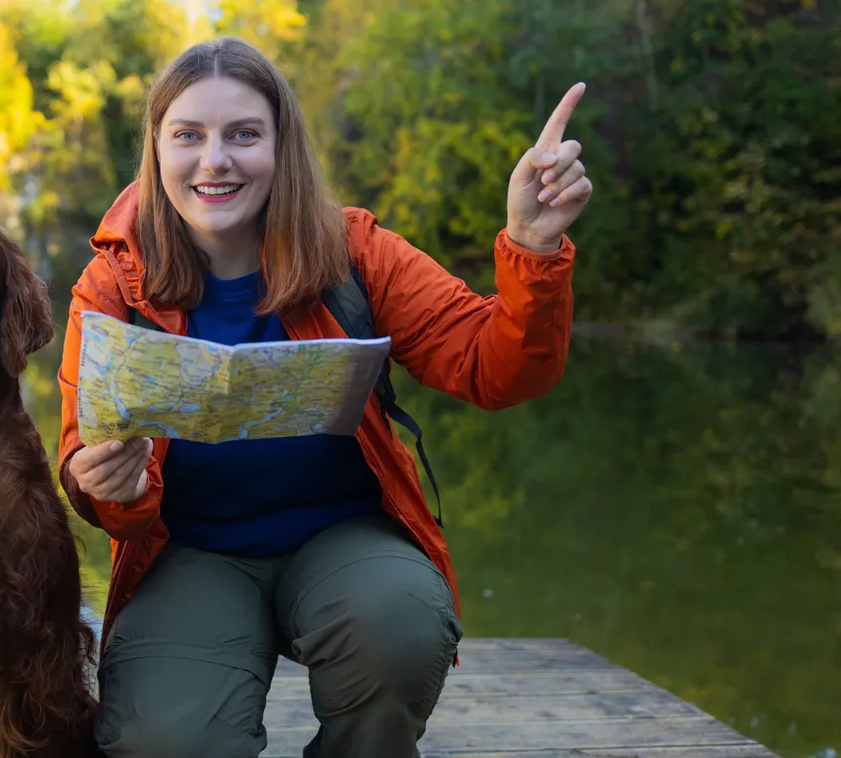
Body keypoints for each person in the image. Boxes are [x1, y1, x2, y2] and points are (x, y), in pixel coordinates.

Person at [55, 36, 590, 758]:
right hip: (190, 551)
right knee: (164, 740)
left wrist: (530, 246)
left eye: (243, 134)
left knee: (400, 629)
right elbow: (96, 490)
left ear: (281, 146)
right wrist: (103, 482)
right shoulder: (111, 285)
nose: (214, 160)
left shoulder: (354, 253)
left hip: (342, 535)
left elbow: (494, 370)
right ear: (156, 150)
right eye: (188, 136)